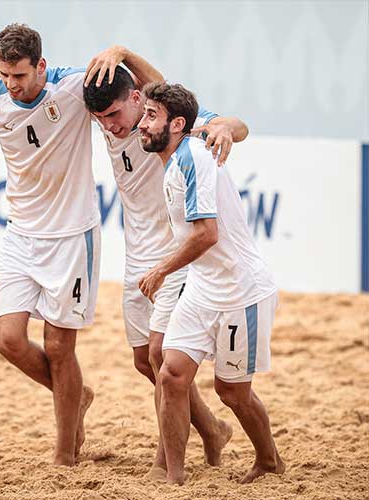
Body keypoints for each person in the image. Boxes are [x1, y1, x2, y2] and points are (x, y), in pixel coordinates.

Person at [82, 48, 249, 479]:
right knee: (144, 360)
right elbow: (42, 81)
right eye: (101, 118)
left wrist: (226, 128)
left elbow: (233, 124)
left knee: (162, 356)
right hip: (136, 253)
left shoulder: (160, 125)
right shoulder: (112, 120)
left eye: (116, 113)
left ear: (139, 99)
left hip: (175, 256)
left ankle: (166, 462)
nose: (110, 124)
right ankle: (211, 429)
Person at [0, 23, 104, 466]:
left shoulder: (74, 87)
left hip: (74, 236)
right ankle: (76, 395)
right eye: (4, 74)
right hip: (21, 234)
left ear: (41, 65)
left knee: (59, 348)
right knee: (7, 339)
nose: (11, 85)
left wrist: (119, 51)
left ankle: (64, 455)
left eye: (19, 75)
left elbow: (136, 88)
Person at [136, 81, 285, 485]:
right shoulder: (177, 150)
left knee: (231, 392)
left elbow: (207, 234)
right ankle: (174, 479)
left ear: (178, 123)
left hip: (241, 291)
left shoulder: (195, 158)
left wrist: (161, 270)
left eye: (151, 117)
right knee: (170, 373)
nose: (141, 125)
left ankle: (269, 461)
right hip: (204, 286)